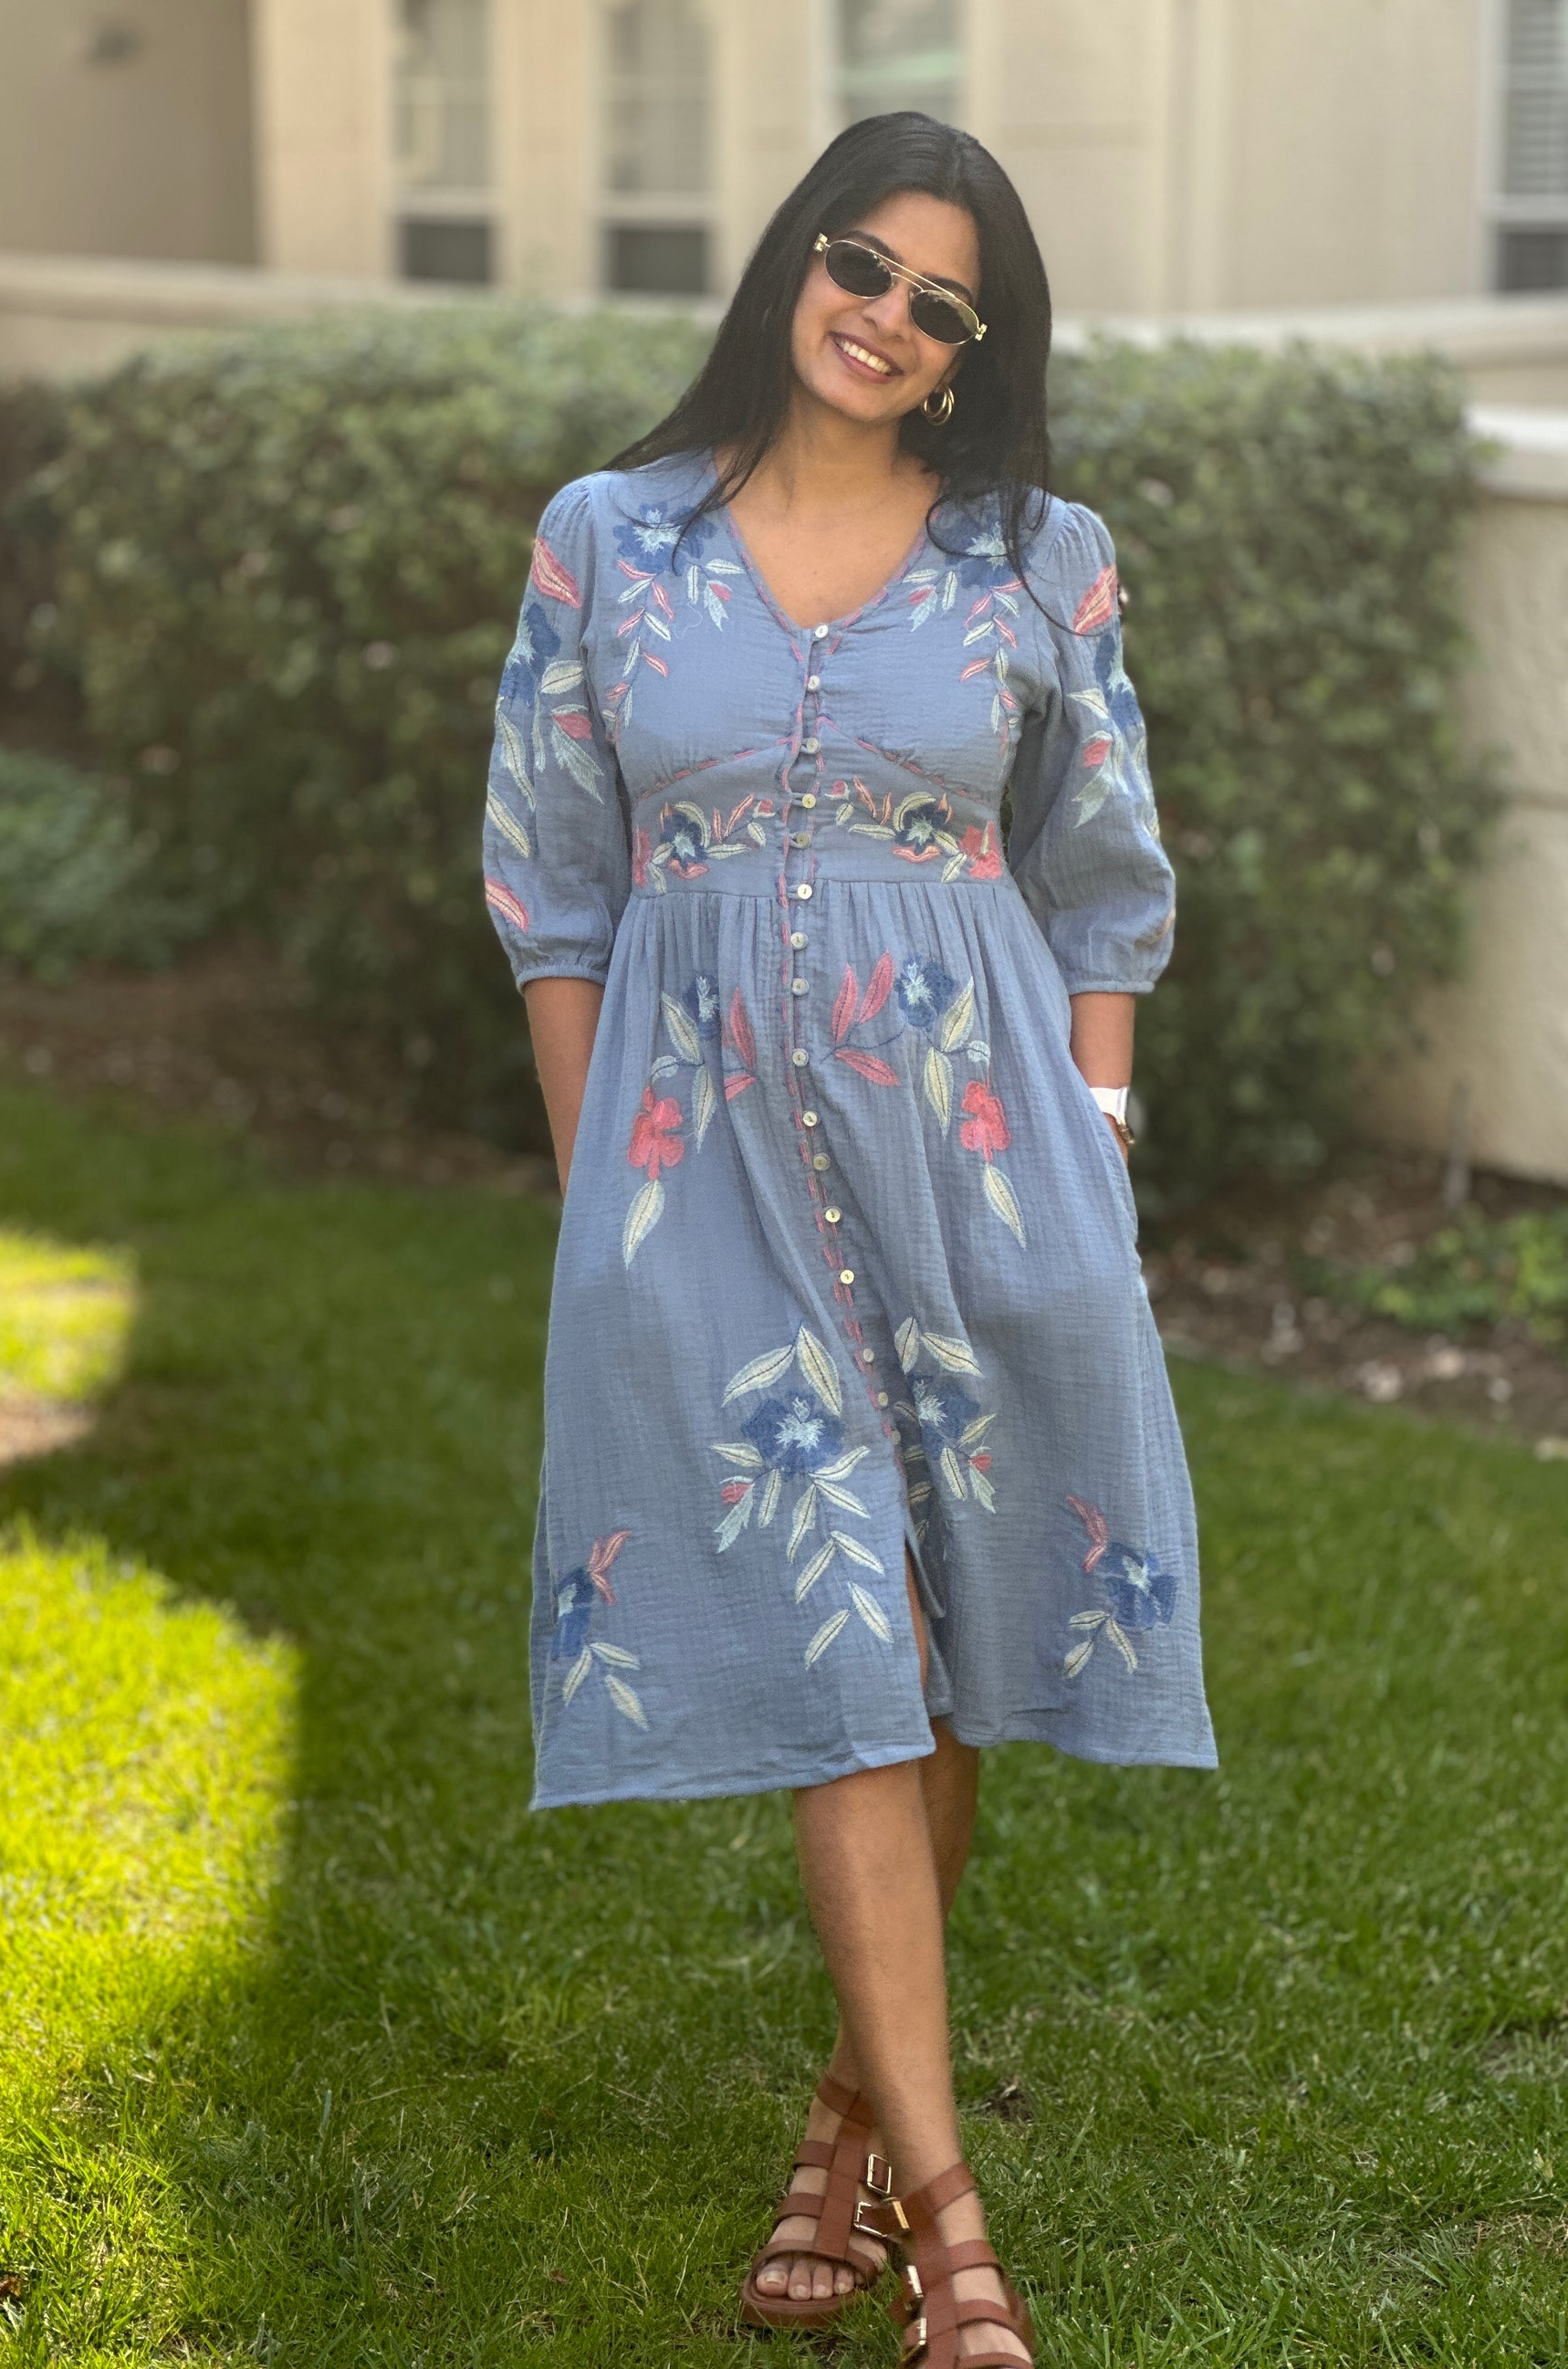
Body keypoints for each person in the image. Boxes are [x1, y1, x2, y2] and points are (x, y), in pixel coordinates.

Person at [480, 110, 1216, 2368]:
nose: (885, 316)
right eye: (859, 264)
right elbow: (551, 888)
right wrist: (600, 1190)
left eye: (938, 301)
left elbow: (1101, 870)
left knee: (948, 1636)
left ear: (974, 347)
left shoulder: (1036, 556)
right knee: (835, 1624)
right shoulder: (609, 538)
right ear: (791, 258)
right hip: (694, 1172)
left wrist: (1096, 1139)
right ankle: (954, 2223)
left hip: (981, 1156)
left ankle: (846, 2120)